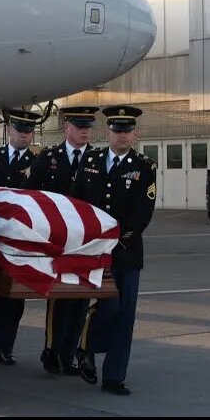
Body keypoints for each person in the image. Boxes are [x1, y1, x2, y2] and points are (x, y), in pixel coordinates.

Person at [71, 105, 156, 396]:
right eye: (117, 130)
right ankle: (87, 347)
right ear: (108, 132)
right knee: (108, 306)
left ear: (135, 135)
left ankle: (114, 376)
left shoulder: (144, 167)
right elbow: (78, 202)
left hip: (126, 251)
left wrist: (118, 240)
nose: (122, 136)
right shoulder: (91, 159)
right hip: (94, 250)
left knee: (124, 313)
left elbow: (143, 213)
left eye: (127, 131)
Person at [27, 105, 99, 376]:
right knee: (58, 298)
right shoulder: (48, 158)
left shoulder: (97, 158)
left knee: (81, 299)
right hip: (57, 240)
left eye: (88, 127)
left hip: (87, 242)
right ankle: (52, 351)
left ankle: (69, 355)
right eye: (79, 126)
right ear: (67, 127)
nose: (84, 131)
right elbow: (33, 196)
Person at [0, 108, 41, 367]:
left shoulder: (39, 163)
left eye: (28, 131)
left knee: (16, 295)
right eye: (19, 130)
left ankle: (6, 346)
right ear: (9, 130)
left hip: (20, 238)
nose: (24, 135)